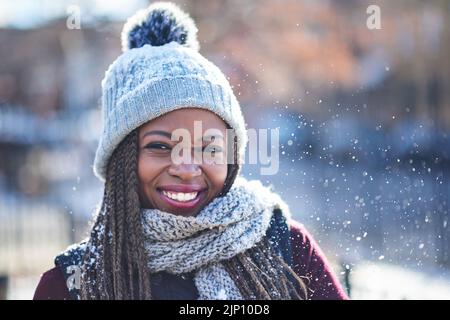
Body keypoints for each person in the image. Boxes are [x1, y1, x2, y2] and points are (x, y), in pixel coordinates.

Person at [33, 2, 348, 300]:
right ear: (122, 159)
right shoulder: (70, 285)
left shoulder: (286, 248)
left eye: (208, 147)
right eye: (160, 146)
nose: (186, 167)